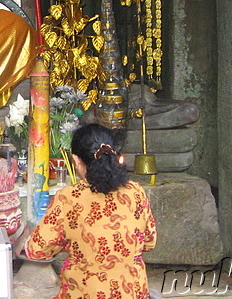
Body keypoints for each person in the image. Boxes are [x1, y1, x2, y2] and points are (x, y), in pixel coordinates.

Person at [17, 123, 157, 299]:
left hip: (84, 292)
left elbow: (38, 249)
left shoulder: (68, 198)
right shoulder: (136, 191)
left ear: (76, 160)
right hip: (133, 292)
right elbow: (149, 242)